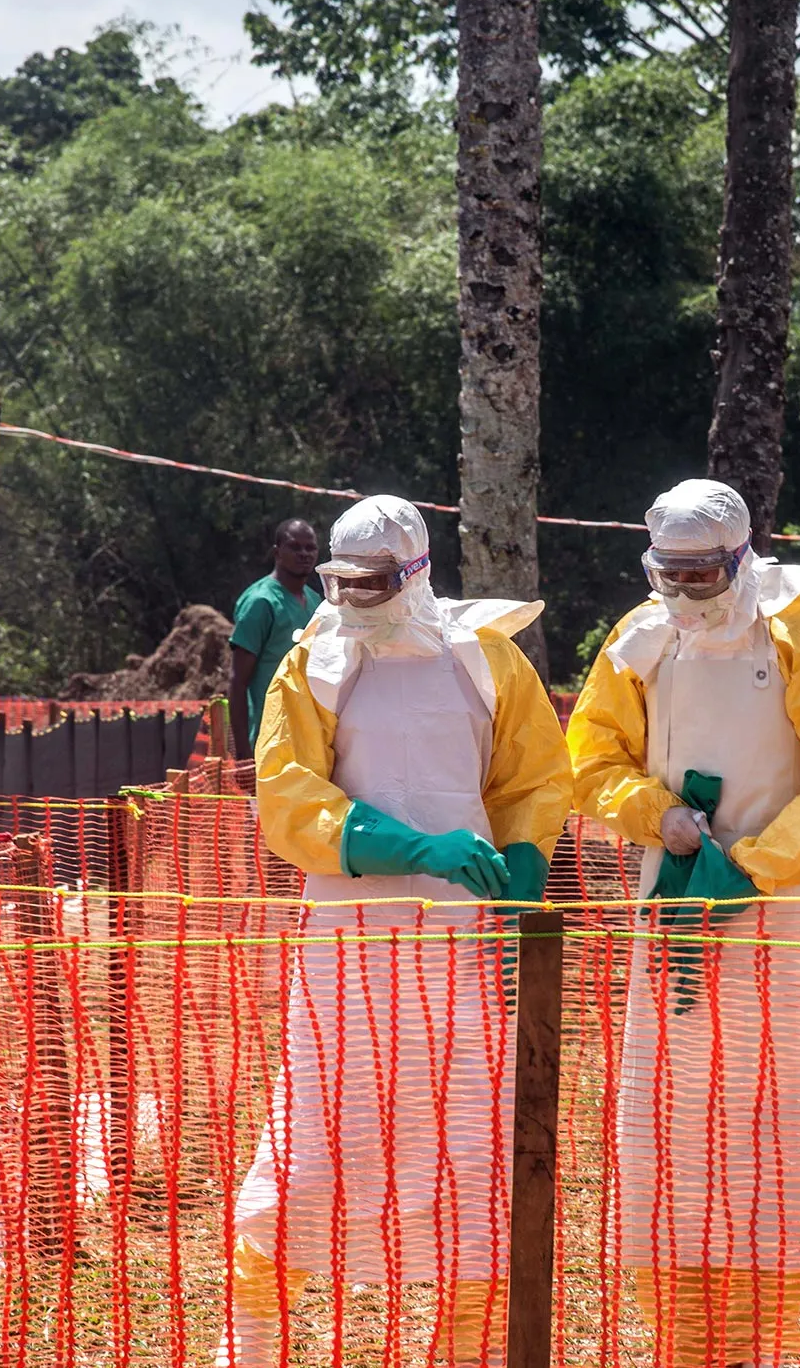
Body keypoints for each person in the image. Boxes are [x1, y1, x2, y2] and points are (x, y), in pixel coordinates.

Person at [223, 496, 570, 1368]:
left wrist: (519, 868)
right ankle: (251, 1350)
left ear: (415, 572)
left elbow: (535, 778)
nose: (356, 599)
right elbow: (287, 798)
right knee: (303, 1165)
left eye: (374, 582)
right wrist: (408, 844)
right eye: (343, 582)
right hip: (344, 964)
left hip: (462, 966)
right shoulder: (315, 662)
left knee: (475, 1179)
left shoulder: (486, 658)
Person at [567, 478, 800, 1368]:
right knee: (667, 1112)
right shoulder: (639, 637)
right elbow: (590, 756)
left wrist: (758, 865)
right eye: (671, 573)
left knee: (772, 1109)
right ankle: (681, 1332)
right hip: (667, 906)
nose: (688, 592)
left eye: (704, 574)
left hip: (775, 918)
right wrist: (652, 814)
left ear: (743, 556)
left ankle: (764, 1335)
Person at [228, 518, 323, 760]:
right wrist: (242, 754)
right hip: (265, 741)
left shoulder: (317, 603)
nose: (304, 554)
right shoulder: (261, 602)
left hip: (305, 739)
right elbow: (238, 682)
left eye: (310, 547)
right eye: (295, 547)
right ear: (277, 552)